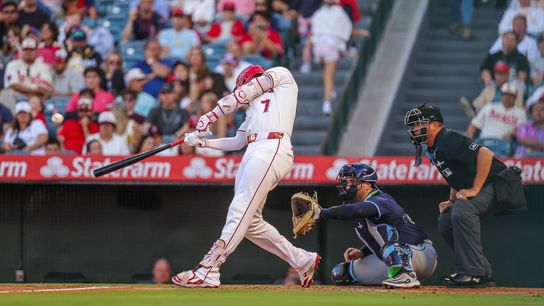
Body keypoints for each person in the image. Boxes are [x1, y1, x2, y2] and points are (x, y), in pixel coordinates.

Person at [172, 65, 319, 288]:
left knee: (240, 206)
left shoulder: (281, 76)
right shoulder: (252, 111)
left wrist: (211, 115)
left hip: (272, 146)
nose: (244, 94)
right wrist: (203, 142)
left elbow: (246, 92)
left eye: (244, 86)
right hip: (254, 151)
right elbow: (238, 142)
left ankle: (209, 268)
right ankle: (302, 259)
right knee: (250, 223)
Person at [404, 105, 526, 288]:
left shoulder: (447, 138)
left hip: (501, 184)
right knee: (446, 220)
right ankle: (480, 270)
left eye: (418, 124)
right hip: (489, 185)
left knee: (463, 209)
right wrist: (451, 199)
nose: (414, 130)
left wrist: (475, 189)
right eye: (412, 126)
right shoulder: (435, 147)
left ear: (435, 125)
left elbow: (485, 154)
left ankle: (472, 274)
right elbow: (457, 175)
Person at [314, 163, 437, 288]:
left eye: (353, 181)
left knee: (392, 247)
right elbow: (385, 235)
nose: (347, 186)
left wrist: (322, 213)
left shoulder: (380, 199)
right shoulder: (357, 205)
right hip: (393, 259)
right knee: (341, 274)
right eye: (346, 182)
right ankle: (392, 284)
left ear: (367, 185)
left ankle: (406, 276)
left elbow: (358, 211)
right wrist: (363, 252)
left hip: (420, 254)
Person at [300, 0, 352, 115]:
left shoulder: (319, 13)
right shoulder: (340, 13)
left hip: (318, 47)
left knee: (325, 72)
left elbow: (313, 30)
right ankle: (327, 103)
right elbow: (347, 30)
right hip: (331, 46)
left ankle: (331, 92)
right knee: (329, 77)